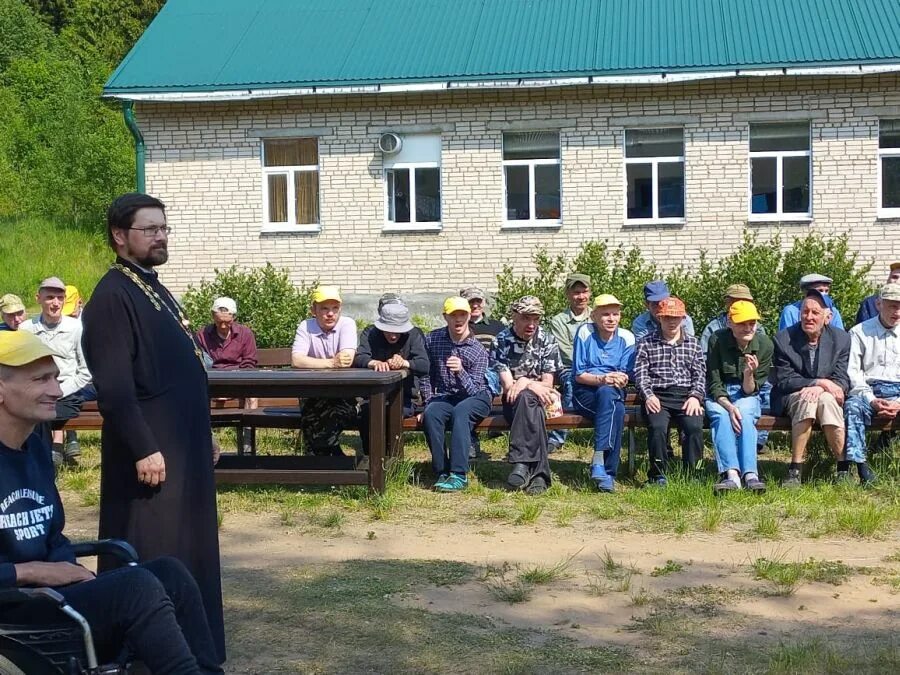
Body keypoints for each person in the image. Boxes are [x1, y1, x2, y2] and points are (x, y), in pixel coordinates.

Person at [0, 330, 223, 675]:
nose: (57, 391)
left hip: (53, 600)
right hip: (14, 611)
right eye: (41, 379)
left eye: (56, 378)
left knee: (170, 572)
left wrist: (71, 572)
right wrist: (33, 572)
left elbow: (53, 535)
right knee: (136, 587)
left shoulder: (36, 450)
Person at [81, 192, 225, 662]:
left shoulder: (152, 285)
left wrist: (204, 434)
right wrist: (144, 446)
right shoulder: (110, 296)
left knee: (191, 548)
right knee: (153, 548)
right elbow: (115, 387)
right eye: (151, 229)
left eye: (164, 228)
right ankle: (146, 655)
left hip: (183, 446)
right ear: (120, 237)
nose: (161, 236)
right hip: (151, 455)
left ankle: (192, 649)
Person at [770, 289, 850, 488]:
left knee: (827, 401)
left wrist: (822, 388)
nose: (809, 317)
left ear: (827, 317)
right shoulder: (783, 339)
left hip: (826, 395)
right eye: (805, 312)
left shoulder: (842, 339)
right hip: (791, 395)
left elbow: (841, 378)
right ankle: (795, 469)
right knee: (809, 400)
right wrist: (817, 383)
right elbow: (784, 379)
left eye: (815, 312)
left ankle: (843, 468)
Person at [490, 296, 561, 495]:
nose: (531, 324)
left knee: (530, 401)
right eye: (526, 318)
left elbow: (547, 384)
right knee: (525, 399)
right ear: (514, 316)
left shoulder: (547, 339)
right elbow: (508, 386)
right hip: (513, 403)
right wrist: (527, 384)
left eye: (535, 319)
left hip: (545, 401)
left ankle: (522, 463)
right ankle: (539, 474)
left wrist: (524, 382)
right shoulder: (501, 341)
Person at [419, 297, 491, 492]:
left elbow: (476, 389)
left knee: (461, 411)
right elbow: (426, 374)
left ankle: (459, 474)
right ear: (445, 317)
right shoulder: (433, 339)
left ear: (469, 316)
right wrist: (427, 401)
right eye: (453, 315)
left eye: (462, 315)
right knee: (432, 413)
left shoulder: (477, 349)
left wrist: (460, 372)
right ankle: (441, 471)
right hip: (446, 396)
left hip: (476, 397)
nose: (458, 320)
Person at [20, 277, 94, 466]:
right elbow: (20, 368)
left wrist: (59, 392)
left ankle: (47, 458)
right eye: (50, 298)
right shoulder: (26, 329)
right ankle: (35, 461)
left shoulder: (76, 328)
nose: (56, 303)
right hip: (34, 393)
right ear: (38, 298)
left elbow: (85, 372)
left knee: (43, 414)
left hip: (66, 393)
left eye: (60, 298)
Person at [634, 297, 705, 486]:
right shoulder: (646, 342)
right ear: (659, 317)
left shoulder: (693, 343)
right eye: (667, 317)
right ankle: (658, 474)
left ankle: (694, 474)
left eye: (676, 317)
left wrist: (695, 396)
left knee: (694, 427)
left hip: (686, 396)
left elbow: (699, 374)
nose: (672, 321)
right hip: (658, 395)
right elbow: (640, 373)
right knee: (657, 428)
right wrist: (648, 395)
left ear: (683, 318)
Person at [704, 300, 773, 494]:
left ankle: (751, 475)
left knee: (745, 415)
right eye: (742, 323)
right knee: (720, 415)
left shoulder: (765, 345)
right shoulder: (716, 340)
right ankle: (731, 475)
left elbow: (751, 391)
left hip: (746, 392)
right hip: (720, 395)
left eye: (752, 323)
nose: (748, 327)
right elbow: (714, 382)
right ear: (730, 322)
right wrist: (729, 406)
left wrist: (749, 373)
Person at [571, 294, 635, 492]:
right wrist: (602, 379)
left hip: (613, 391)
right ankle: (607, 471)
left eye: (615, 314)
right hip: (586, 392)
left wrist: (620, 378)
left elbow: (626, 373)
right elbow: (579, 374)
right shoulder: (584, 333)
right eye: (605, 314)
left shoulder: (627, 337)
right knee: (615, 408)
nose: (611, 319)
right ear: (594, 316)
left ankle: (600, 464)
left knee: (610, 398)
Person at [699, 284, 772, 453]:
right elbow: (708, 363)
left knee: (765, 391)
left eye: (746, 300)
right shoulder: (714, 331)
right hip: (721, 381)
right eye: (737, 300)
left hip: (749, 382)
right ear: (728, 303)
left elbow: (760, 369)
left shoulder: (758, 332)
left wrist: (749, 373)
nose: (747, 327)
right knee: (721, 411)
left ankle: (757, 445)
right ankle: (730, 471)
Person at [354, 300, 429, 455]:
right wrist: (373, 363)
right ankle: (371, 457)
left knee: (391, 414)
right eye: (388, 330)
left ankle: (392, 458)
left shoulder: (414, 335)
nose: (393, 335)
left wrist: (405, 363)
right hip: (373, 395)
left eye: (397, 331)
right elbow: (360, 357)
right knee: (367, 413)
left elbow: (424, 365)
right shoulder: (370, 333)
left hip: (406, 396)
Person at [291, 286, 358, 456]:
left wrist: (316, 363)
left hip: (343, 393)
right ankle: (334, 457)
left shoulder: (347, 323)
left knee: (330, 413)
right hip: (313, 392)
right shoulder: (305, 326)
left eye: (335, 308)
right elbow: (297, 360)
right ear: (314, 310)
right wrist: (330, 362)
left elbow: (345, 359)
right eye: (324, 308)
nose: (330, 314)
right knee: (312, 411)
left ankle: (319, 458)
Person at [844, 283, 900, 486]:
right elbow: (854, 372)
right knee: (852, 407)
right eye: (892, 306)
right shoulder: (859, 332)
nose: (897, 311)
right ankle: (862, 468)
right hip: (870, 390)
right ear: (879, 304)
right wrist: (873, 400)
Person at [546, 273, 592, 453]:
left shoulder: (597, 317)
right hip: (568, 368)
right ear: (568, 294)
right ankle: (557, 436)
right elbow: (564, 349)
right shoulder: (558, 321)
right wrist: (586, 366)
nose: (581, 296)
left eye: (584, 291)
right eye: (576, 292)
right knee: (571, 385)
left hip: (596, 368)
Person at [195, 297, 259, 370]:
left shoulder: (245, 333)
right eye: (219, 322)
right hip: (212, 376)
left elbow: (249, 362)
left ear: (234, 317)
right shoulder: (202, 335)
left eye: (227, 322)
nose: (223, 326)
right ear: (213, 316)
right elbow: (199, 362)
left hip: (238, 375)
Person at [778, 273, 845, 331]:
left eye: (826, 291)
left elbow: (839, 337)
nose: (824, 294)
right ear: (806, 292)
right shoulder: (791, 312)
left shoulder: (833, 312)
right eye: (820, 290)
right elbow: (785, 339)